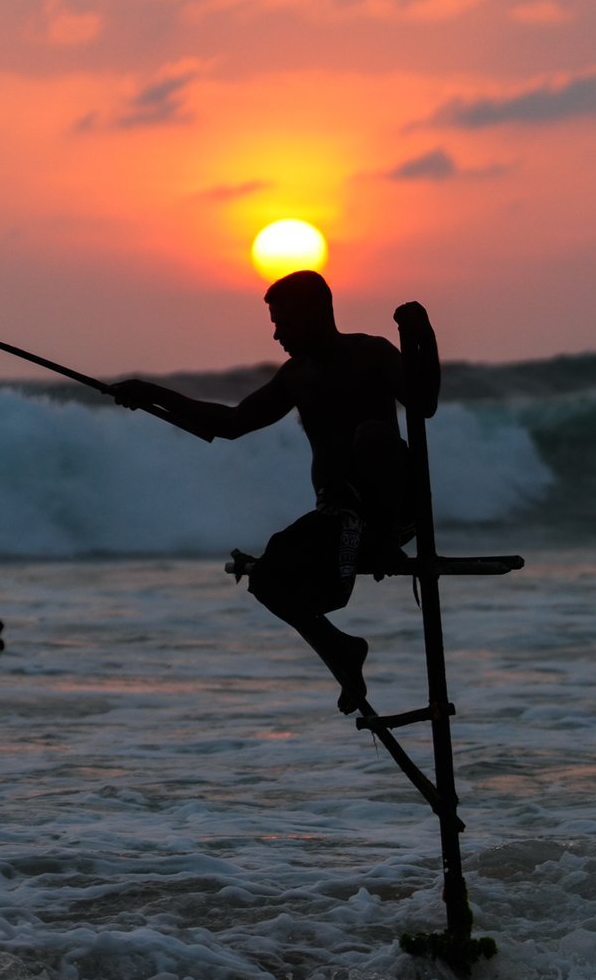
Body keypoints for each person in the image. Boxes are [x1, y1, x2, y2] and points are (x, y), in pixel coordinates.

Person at [109, 271, 441, 713]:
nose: (276, 333)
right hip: (338, 514)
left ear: (316, 314)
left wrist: (423, 337)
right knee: (267, 576)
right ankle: (342, 650)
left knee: (372, 436)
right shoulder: (296, 375)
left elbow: (425, 403)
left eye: (283, 322)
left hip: (392, 515)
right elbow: (229, 425)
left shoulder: (372, 352)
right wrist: (151, 394)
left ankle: (378, 548)